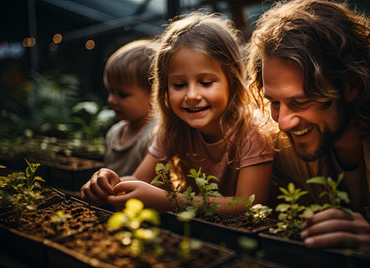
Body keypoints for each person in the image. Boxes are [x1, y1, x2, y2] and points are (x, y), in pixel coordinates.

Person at [248, 0, 370, 266]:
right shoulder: (279, 143)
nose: (284, 123)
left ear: (351, 86)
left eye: (300, 102)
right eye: (275, 103)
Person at [81, 12, 275, 214]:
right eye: (179, 85)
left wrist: (170, 201)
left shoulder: (253, 132)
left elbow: (250, 205)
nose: (191, 95)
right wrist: (109, 182)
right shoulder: (172, 130)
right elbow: (139, 179)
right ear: (165, 89)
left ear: (232, 80)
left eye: (206, 83)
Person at [102, 39, 158, 176]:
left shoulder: (154, 136)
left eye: (122, 94)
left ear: (154, 94)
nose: (111, 100)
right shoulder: (114, 133)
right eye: (110, 91)